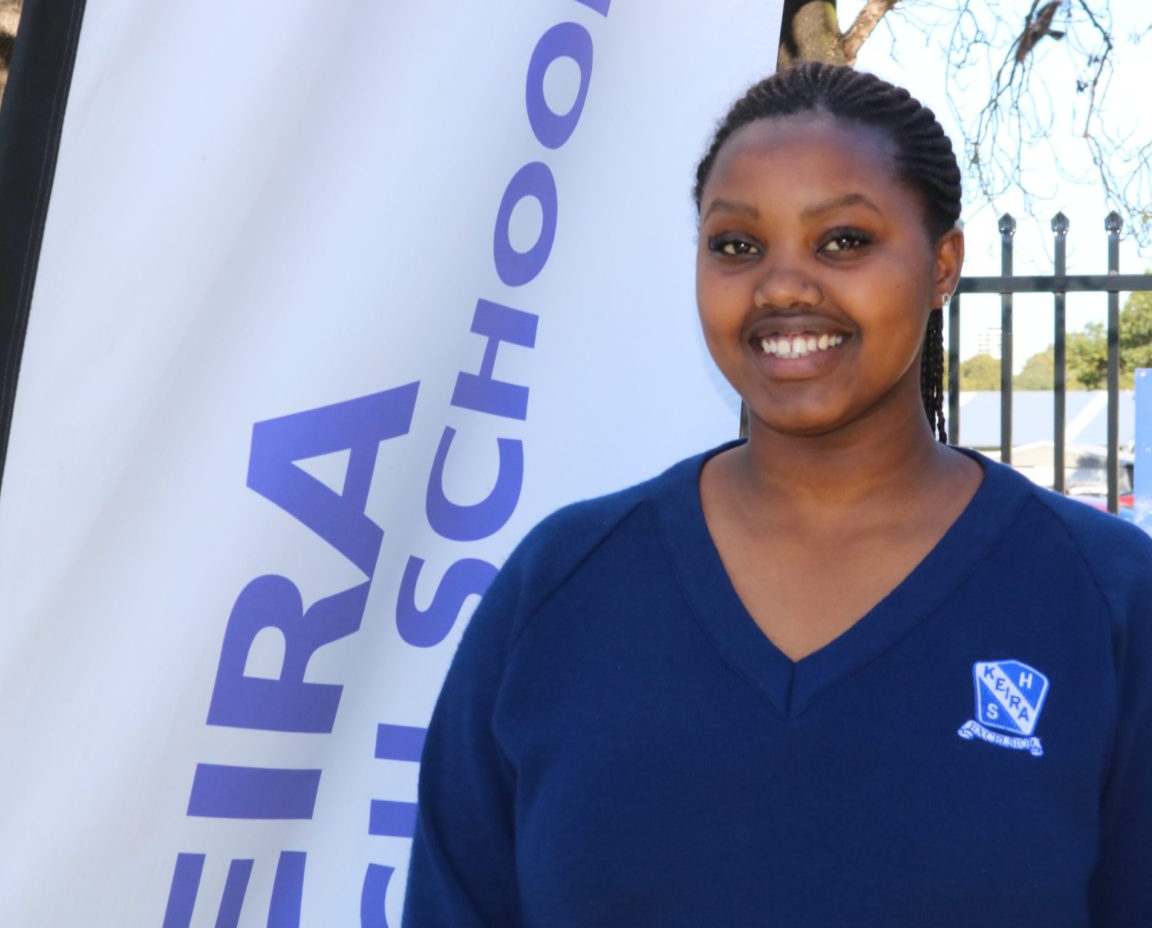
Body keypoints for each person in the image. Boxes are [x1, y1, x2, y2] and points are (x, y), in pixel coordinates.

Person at [402, 63, 1152, 926]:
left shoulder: (1103, 598)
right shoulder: (561, 586)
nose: (784, 285)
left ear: (943, 265)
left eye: (842, 241)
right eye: (737, 246)